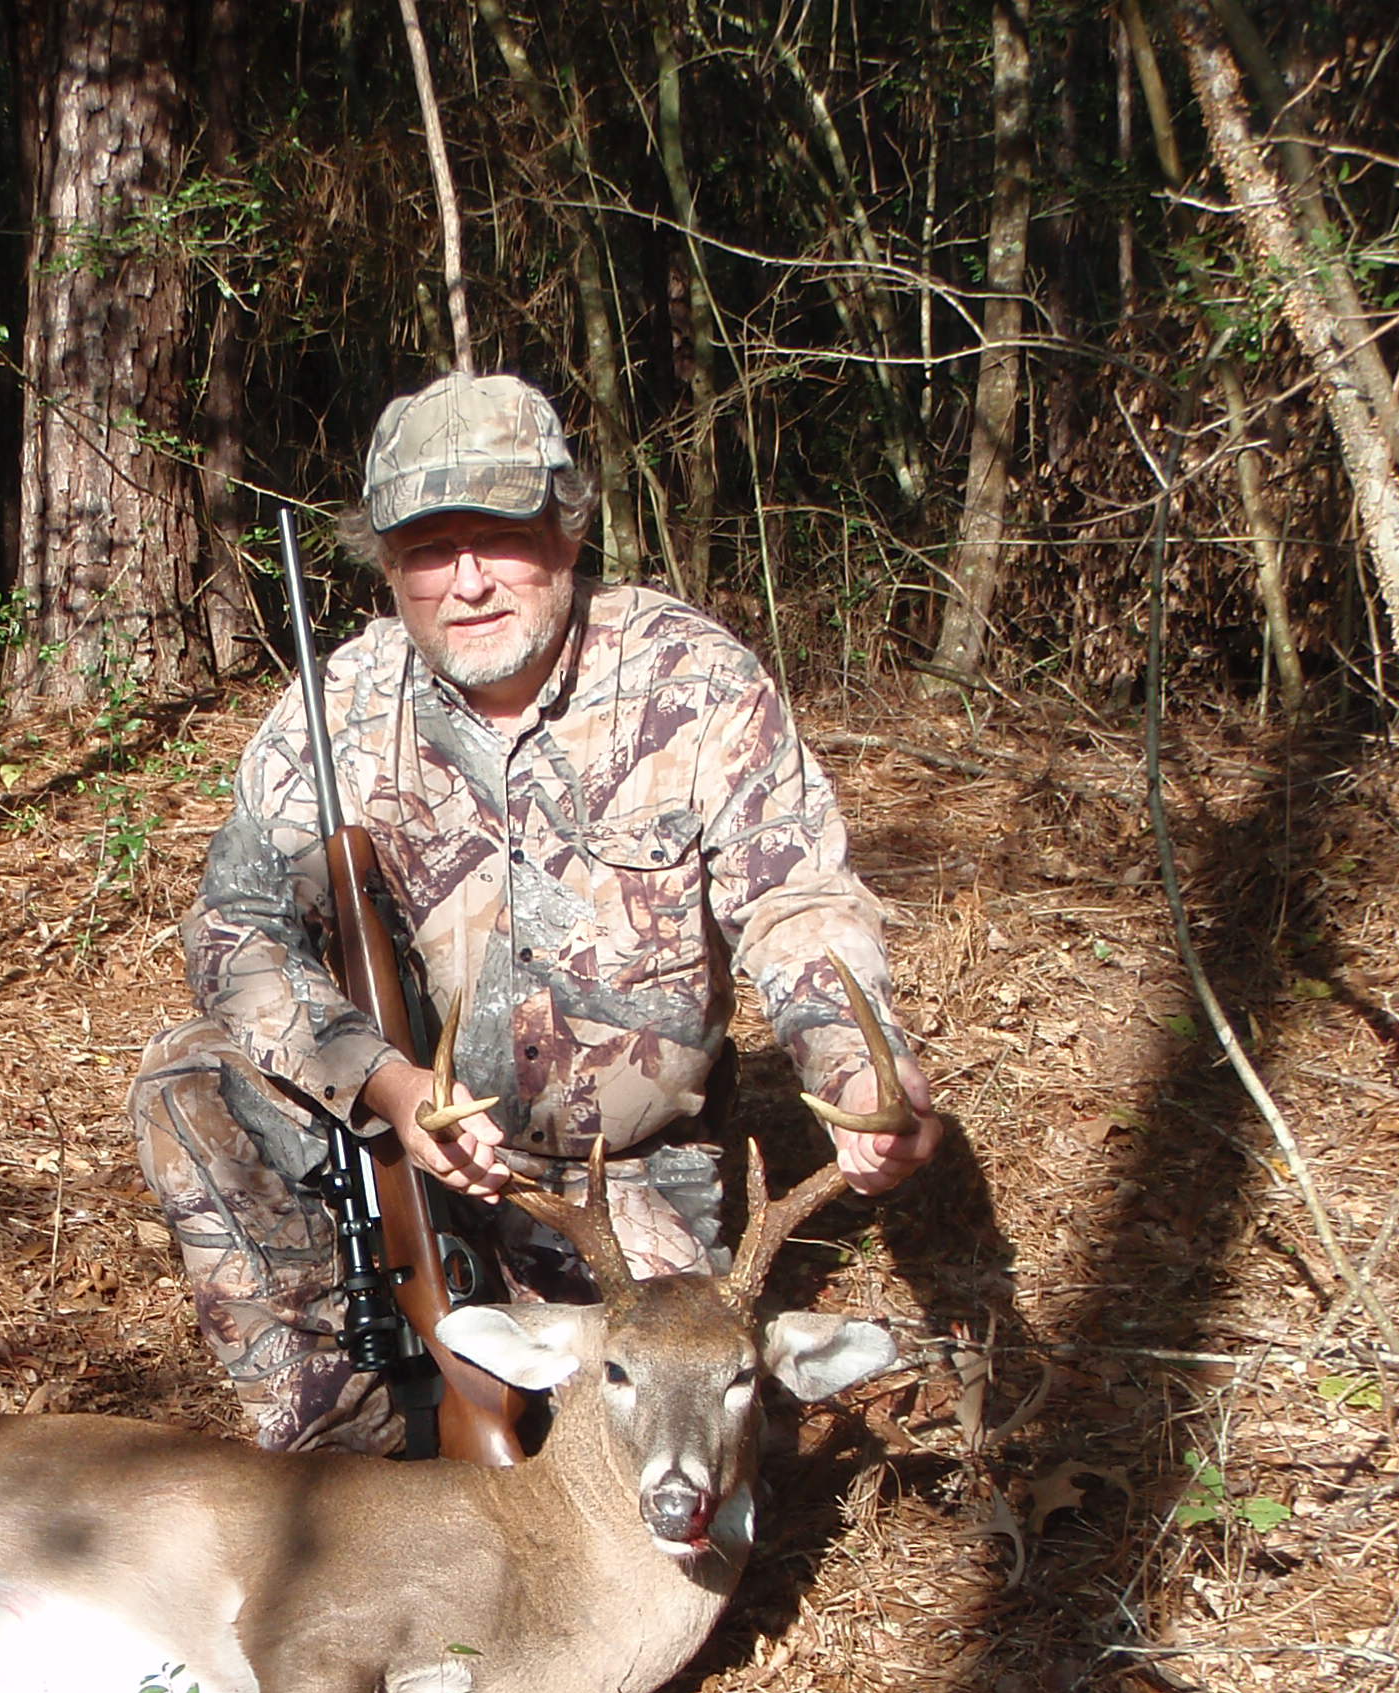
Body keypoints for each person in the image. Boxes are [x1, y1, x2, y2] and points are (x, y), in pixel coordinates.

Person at [129, 372, 941, 1455]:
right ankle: (339, 1437)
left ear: (565, 534)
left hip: (622, 1180)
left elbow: (795, 899)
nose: (467, 583)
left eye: (500, 540)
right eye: (429, 550)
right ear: (390, 566)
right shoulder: (338, 708)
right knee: (190, 1077)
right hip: (408, 1143)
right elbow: (237, 928)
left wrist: (853, 1064)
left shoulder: (692, 680)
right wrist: (388, 1087)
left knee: (679, 1462)